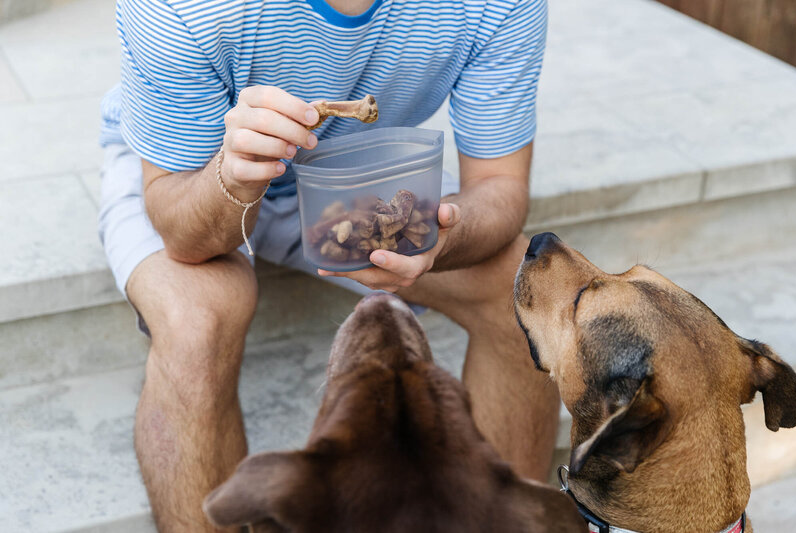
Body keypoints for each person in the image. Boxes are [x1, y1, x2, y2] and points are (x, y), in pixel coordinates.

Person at [98, 0, 557, 530]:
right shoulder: (185, 10)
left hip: (348, 175)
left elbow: (498, 186)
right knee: (195, 320)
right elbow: (183, 231)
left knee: (522, 292)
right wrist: (236, 177)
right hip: (193, 172)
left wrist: (439, 239)